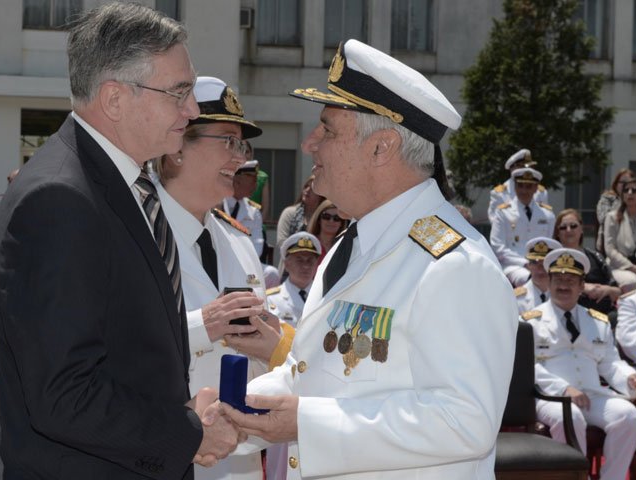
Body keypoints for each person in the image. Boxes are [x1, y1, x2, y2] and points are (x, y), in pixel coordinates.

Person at [220, 39, 517, 479]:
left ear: (382, 148)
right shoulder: (352, 242)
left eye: (327, 130)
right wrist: (229, 412)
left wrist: (304, 421)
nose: (309, 145)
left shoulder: (454, 265)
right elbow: (314, 371)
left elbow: (466, 421)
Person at [0, 4, 239, 479]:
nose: (193, 110)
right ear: (115, 99)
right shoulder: (59, 199)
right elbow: (64, 395)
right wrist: (189, 434)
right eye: (179, 92)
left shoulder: (114, 182)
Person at [151, 75, 293, 480]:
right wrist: (200, 326)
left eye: (242, 145)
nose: (240, 158)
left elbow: (262, 363)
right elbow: (113, 348)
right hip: (161, 460)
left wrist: (247, 426)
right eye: (227, 142)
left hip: (240, 461)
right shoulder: (133, 235)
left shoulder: (239, 241)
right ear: (178, 147)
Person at [525, 248, 636, 480]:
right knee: (571, 416)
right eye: (558, 279)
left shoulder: (597, 322)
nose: (563, 285)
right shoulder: (530, 322)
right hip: (550, 398)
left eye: (571, 280)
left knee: (629, 417)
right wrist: (563, 389)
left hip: (591, 395)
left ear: (582, 287)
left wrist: (629, 378)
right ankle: (577, 477)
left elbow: (610, 364)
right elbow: (527, 367)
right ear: (548, 282)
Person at [489, 167, 555, 286]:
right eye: (520, 186)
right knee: (528, 279)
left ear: (536, 188)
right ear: (515, 187)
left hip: (540, 265)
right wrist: (525, 263)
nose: (524, 190)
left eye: (529, 186)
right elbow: (497, 246)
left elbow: (550, 246)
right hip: (512, 265)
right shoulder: (503, 213)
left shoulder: (548, 215)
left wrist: (538, 264)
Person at [554, 208, 620, 314]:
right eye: (563, 227)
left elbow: (617, 291)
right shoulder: (553, 260)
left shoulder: (596, 257)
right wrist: (584, 288)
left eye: (573, 226)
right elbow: (547, 285)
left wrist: (607, 290)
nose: (568, 230)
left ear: (581, 229)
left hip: (603, 315)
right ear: (557, 233)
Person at [266, 232, 321, 327]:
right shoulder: (270, 299)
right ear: (286, 265)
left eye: (310, 260)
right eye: (299, 260)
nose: (305, 266)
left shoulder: (325, 296)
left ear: (316, 264)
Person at [603, 178, 636, 292]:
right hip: (621, 267)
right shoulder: (612, 217)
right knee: (634, 283)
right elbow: (609, 249)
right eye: (626, 190)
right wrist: (633, 268)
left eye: (634, 190)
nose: (630, 193)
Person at [595, 169, 636, 254]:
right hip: (611, 248)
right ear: (616, 184)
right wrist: (623, 200)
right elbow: (603, 219)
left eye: (630, 182)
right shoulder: (607, 199)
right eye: (623, 183)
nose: (627, 186)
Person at [487, 148, 548, 222]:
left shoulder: (541, 191)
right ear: (512, 168)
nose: (527, 170)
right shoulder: (499, 193)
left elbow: (544, 218)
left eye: (530, 167)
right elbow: (494, 219)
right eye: (523, 167)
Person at [223, 161, 264, 259]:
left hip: (246, 261)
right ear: (236, 180)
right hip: (220, 259)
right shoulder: (217, 204)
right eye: (253, 180)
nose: (255, 185)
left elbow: (257, 244)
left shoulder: (253, 212)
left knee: (271, 272)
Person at [275, 176, 324, 253]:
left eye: (312, 188)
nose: (307, 190)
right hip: (290, 260)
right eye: (306, 187)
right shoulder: (289, 213)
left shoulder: (325, 217)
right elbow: (281, 242)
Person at [515, 237, 561, 314]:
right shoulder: (515, 299)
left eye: (545, 263)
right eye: (535, 262)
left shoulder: (565, 296)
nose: (540, 268)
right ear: (528, 265)